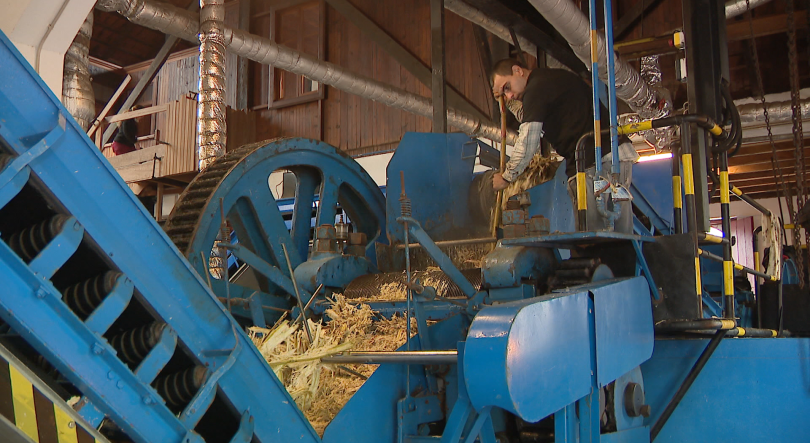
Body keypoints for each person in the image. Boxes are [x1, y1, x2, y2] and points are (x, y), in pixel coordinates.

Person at [490, 58, 638, 233]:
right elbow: (528, 114)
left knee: (596, 233)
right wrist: (508, 103)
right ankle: (621, 258)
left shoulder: (536, 89)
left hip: (596, 165)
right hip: (612, 158)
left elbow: (528, 142)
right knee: (620, 229)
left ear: (518, 70)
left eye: (507, 87)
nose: (509, 95)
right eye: (504, 93)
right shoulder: (546, 82)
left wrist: (507, 177)